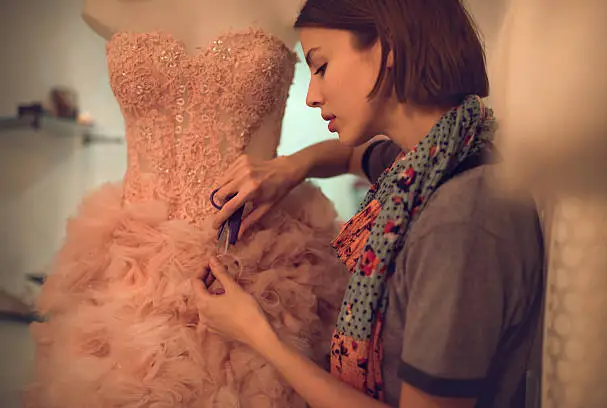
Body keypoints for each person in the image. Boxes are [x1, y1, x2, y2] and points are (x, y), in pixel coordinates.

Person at [194, 0, 545, 407]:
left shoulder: (460, 222)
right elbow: (349, 156)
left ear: (388, 48)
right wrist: (291, 167)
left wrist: (259, 336)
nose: (311, 95)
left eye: (321, 66)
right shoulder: (426, 161)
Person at [25, 0, 348, 406]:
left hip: (254, 257)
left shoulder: (291, 5)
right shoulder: (104, 5)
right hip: (131, 262)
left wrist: (294, 165)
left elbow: (363, 141)